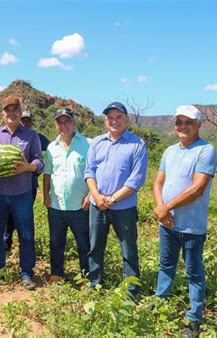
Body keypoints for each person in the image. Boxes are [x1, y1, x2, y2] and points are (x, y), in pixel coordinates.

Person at [153, 105, 217, 337]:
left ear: (199, 124)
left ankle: (194, 319)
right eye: (179, 122)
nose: (183, 126)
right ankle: (160, 302)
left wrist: (166, 207)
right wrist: (162, 208)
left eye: (188, 122)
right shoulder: (170, 151)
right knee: (166, 266)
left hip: (192, 225)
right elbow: (158, 182)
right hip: (167, 223)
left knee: (193, 271)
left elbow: (197, 189)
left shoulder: (206, 151)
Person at [84, 101, 148, 296]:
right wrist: (96, 195)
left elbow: (136, 179)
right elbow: (89, 171)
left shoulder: (137, 144)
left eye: (119, 117)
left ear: (127, 120)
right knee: (95, 247)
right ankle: (94, 284)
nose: (114, 121)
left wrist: (111, 199)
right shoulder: (97, 142)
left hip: (124, 208)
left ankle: (131, 291)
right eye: (110, 117)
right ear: (105, 121)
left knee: (128, 250)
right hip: (97, 205)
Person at [0, 95, 43, 290]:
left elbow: (39, 163)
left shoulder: (31, 135)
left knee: (26, 234)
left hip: (22, 193)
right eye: (7, 110)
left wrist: (27, 167)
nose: (11, 113)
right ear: (3, 113)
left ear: (20, 111)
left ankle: (26, 273)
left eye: (15, 109)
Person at [43, 108, 91, 284]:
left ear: (74, 122)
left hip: (80, 205)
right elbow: (47, 173)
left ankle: (86, 276)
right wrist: (45, 194)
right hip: (56, 203)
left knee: (84, 243)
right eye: (60, 122)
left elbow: (95, 173)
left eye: (67, 121)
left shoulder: (88, 144)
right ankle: (56, 273)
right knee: (56, 242)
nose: (64, 125)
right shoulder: (51, 147)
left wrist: (90, 196)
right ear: (56, 125)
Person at [4, 110, 50, 251]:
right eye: (23, 120)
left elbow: (51, 151)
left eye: (27, 120)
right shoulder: (8, 135)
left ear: (31, 122)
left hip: (29, 184)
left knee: (24, 216)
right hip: (9, 185)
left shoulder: (36, 137)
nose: (25, 123)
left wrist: (33, 165)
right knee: (8, 216)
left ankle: (23, 244)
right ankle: (7, 242)